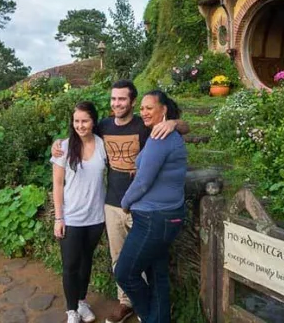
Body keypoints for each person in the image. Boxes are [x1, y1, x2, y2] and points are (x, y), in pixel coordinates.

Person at [52, 80, 189, 323]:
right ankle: (127, 305)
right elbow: (80, 133)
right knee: (119, 259)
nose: (117, 103)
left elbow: (184, 128)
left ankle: (149, 310)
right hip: (113, 203)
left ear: (132, 102)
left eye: (122, 99)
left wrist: (174, 122)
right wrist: (58, 146)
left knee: (144, 262)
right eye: (113, 99)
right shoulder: (103, 126)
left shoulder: (146, 124)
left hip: (142, 204)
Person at [114, 90, 188, 323]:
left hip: (154, 219)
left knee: (125, 273)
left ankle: (151, 318)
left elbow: (143, 181)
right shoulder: (166, 134)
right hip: (166, 217)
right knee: (157, 275)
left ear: (163, 110)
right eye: (142, 108)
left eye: (149, 107)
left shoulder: (160, 138)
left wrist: (125, 203)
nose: (144, 112)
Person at [52, 101, 108, 323]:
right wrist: (59, 217)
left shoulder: (103, 145)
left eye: (85, 120)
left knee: (87, 261)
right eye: (76, 121)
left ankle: (82, 301)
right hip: (72, 216)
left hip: (96, 217)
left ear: (93, 121)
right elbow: (57, 184)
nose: (80, 125)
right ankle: (71, 310)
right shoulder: (63, 147)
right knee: (71, 265)